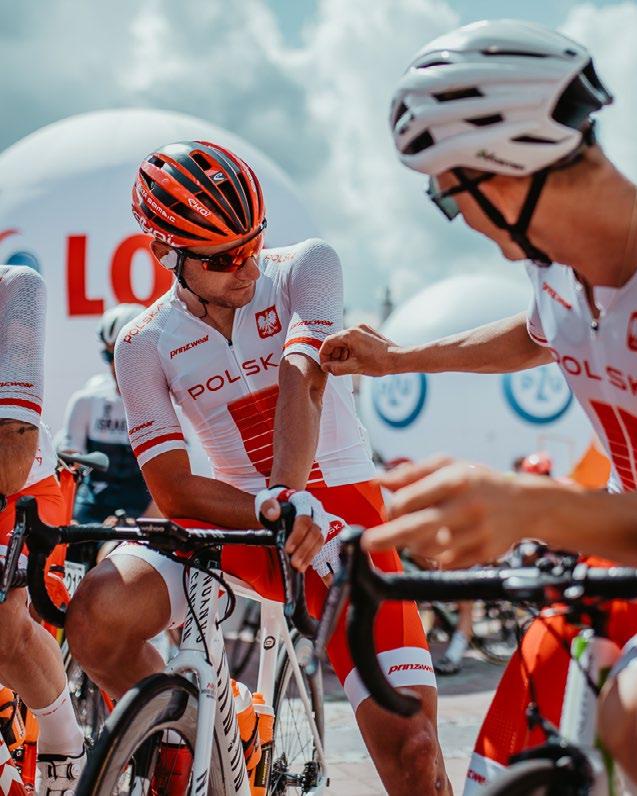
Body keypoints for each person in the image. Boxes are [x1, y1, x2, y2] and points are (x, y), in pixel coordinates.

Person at [65, 141, 451, 795]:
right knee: (96, 618)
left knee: (414, 749)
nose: (245, 266)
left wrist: (290, 496)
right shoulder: (142, 342)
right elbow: (172, 488)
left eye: (252, 243)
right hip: (236, 518)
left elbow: (304, 375)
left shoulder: (305, 265)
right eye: (221, 258)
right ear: (165, 253)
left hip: (340, 510)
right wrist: (272, 507)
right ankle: (187, 743)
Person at [319, 20, 637, 791]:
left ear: (496, 177)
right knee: (508, 765)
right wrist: (398, 358)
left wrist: (531, 506)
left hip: (617, 539)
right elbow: (535, 334)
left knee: (632, 718)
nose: (454, 216)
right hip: (617, 553)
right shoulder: (556, 267)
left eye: (444, 192)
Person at [0, 265, 86, 792]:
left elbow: (12, 455)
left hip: (18, 485)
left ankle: (63, 742)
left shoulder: (16, 288)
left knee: (4, 629)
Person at [59, 304, 157, 527]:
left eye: (124, 353)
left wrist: (139, 526)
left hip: (141, 511)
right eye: (108, 355)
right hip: (91, 507)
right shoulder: (86, 400)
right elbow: (69, 471)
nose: (115, 364)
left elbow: (174, 482)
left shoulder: (169, 402)